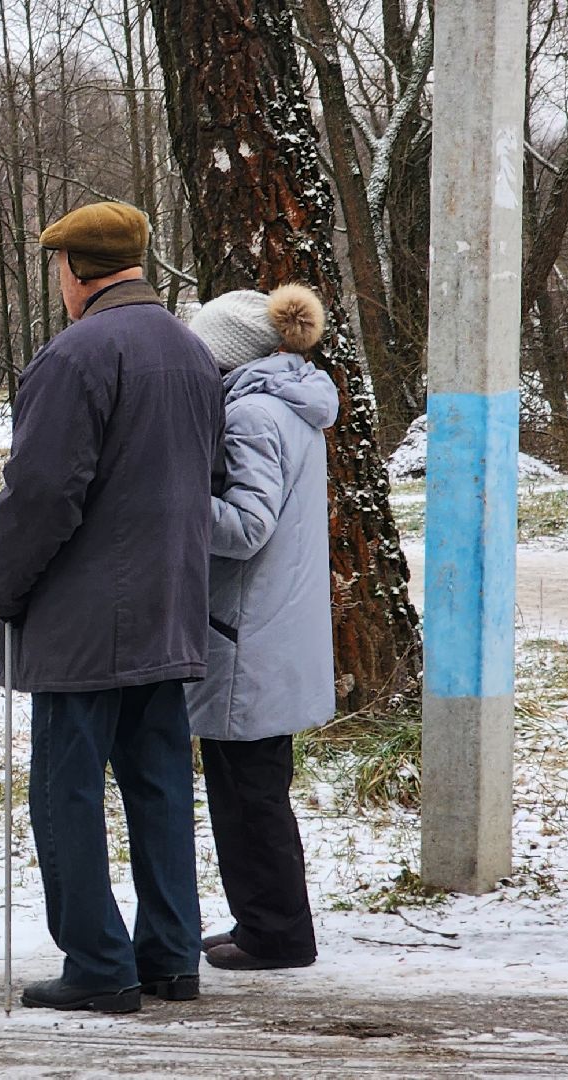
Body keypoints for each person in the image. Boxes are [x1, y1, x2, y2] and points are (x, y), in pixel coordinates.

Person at [0, 202, 224, 1013]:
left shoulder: (75, 354)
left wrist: (2, 586)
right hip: (170, 604)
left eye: (57, 269)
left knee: (67, 790)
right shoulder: (190, 352)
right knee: (158, 785)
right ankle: (168, 958)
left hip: (85, 619)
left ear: (74, 270)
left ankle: (96, 963)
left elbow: (42, 493)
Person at [182, 284, 339, 972]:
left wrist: (174, 501)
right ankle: (265, 921)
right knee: (255, 787)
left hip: (247, 632)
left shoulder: (247, 414)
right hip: (271, 626)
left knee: (246, 794)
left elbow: (247, 528)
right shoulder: (290, 404)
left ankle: (274, 934)